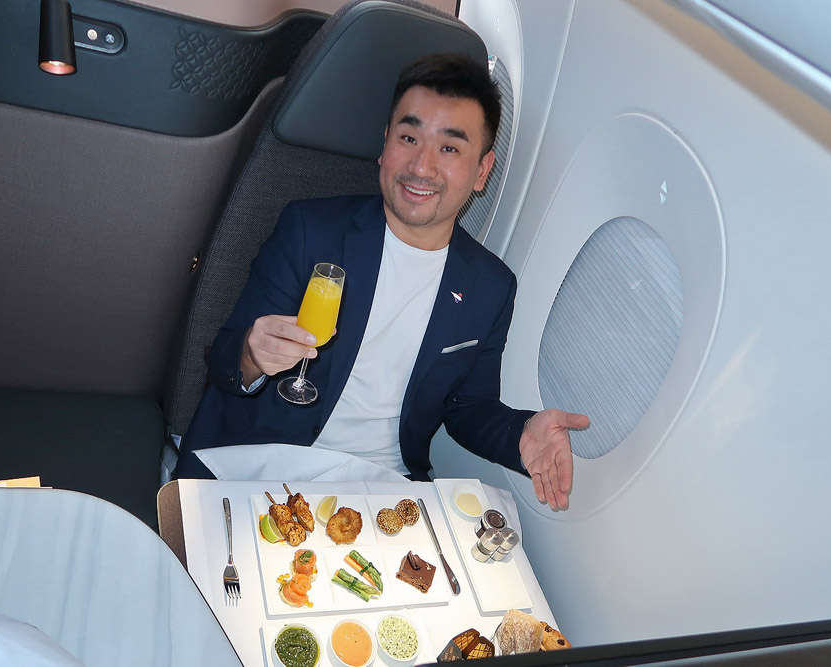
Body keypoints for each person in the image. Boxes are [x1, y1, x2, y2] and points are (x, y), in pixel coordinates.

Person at [176, 53, 588, 510]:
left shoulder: (491, 286)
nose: (422, 166)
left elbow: (468, 409)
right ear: (384, 143)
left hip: (381, 487)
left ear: (482, 172)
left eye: (450, 148)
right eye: (409, 137)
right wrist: (253, 355)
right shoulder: (311, 231)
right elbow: (224, 363)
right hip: (262, 467)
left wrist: (521, 436)